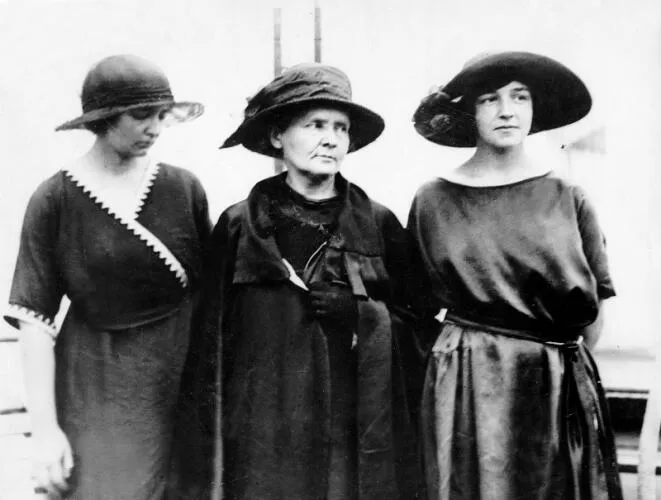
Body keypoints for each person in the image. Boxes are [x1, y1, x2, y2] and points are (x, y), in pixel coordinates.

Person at [185, 62, 422, 500]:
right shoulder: (241, 225)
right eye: (315, 125)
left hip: (351, 424)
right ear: (278, 136)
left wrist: (364, 315)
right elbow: (208, 343)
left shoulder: (379, 223)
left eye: (341, 128)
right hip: (263, 426)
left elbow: (422, 331)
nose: (330, 139)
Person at [408, 51, 623, 499]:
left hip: (553, 378)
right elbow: (416, 306)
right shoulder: (433, 200)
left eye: (519, 97)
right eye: (489, 99)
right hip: (469, 381)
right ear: (468, 111)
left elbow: (595, 309)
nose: (507, 111)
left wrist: (550, 362)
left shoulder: (568, 195)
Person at [4, 54, 210, 499]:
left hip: (181, 377)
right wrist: (45, 432)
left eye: (161, 115)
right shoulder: (55, 198)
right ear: (103, 119)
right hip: (98, 383)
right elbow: (33, 320)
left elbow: (209, 295)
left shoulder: (184, 188)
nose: (154, 128)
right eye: (141, 116)